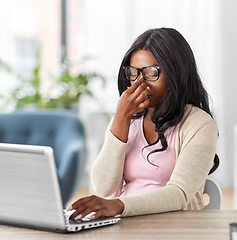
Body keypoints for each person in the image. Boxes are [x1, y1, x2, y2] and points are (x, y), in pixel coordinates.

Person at [68, 27, 219, 221]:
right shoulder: (127, 120)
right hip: (125, 226)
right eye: (134, 72)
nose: (140, 83)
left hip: (175, 229)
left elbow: (179, 194)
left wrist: (119, 206)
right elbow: (104, 188)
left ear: (176, 74)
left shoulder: (199, 124)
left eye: (151, 72)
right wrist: (120, 122)